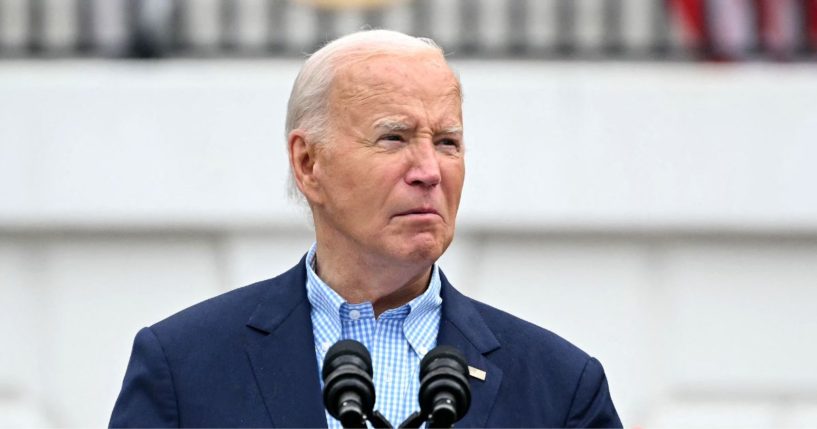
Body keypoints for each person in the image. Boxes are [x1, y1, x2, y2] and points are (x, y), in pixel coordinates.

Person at [110, 30, 622, 428]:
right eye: (394, 138)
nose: (429, 170)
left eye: (447, 142)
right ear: (308, 164)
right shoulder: (183, 365)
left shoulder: (560, 386)